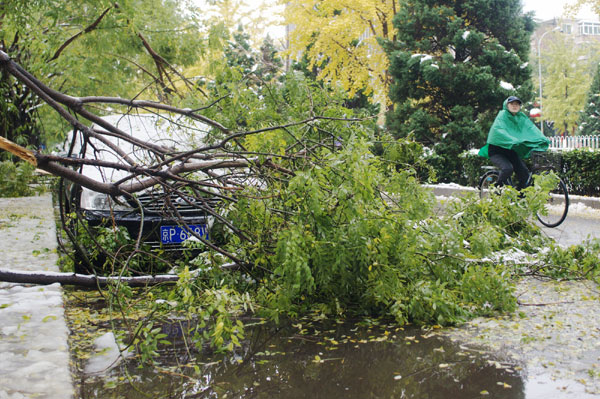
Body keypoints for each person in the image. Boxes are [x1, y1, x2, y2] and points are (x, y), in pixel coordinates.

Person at [478, 96, 550, 190]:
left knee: (524, 173)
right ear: (506, 105)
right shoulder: (502, 115)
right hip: (496, 151)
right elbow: (499, 130)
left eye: (517, 104)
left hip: (510, 151)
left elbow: (531, 129)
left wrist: (542, 139)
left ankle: (519, 196)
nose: (514, 106)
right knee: (507, 168)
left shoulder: (521, 117)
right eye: (512, 104)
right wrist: (513, 140)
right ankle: (497, 189)